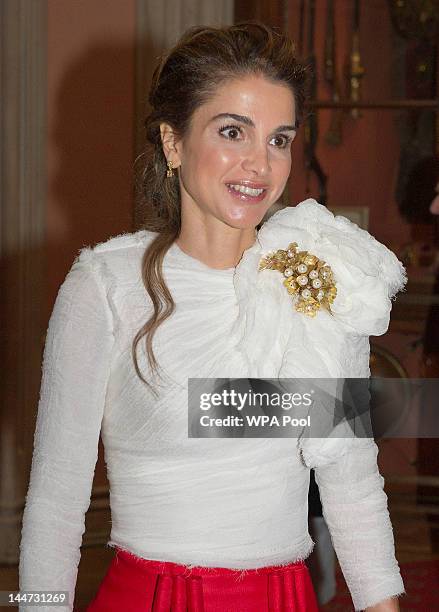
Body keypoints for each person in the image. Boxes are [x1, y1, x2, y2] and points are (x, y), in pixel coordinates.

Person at [19, 22, 406, 612]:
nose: (259, 164)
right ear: (173, 143)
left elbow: (352, 482)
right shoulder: (105, 284)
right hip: (150, 598)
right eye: (233, 132)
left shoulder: (319, 282)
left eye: (279, 139)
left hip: (285, 598)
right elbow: (55, 498)